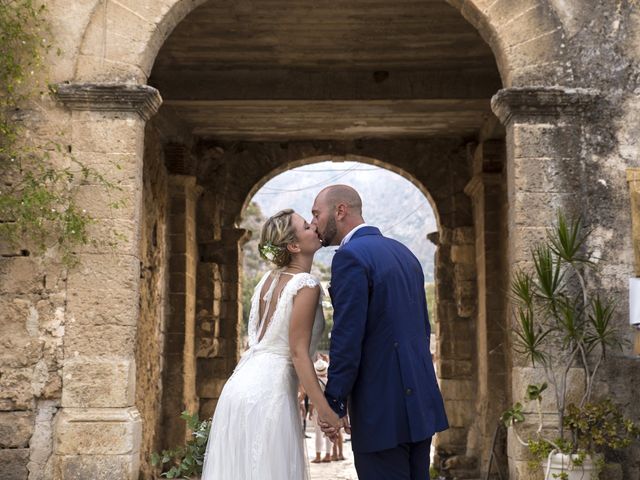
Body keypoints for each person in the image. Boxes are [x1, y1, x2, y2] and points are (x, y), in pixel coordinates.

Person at [311, 185, 449, 480]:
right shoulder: (406, 254)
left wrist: (334, 401)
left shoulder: (349, 257)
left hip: (380, 409)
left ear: (340, 211)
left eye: (316, 213)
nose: (314, 224)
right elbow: (421, 329)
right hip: (419, 406)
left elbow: (348, 338)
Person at [201, 209, 341, 480]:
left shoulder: (267, 280)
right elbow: (298, 353)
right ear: (294, 245)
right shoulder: (307, 285)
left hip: (239, 388)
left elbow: (266, 342)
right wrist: (325, 411)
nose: (314, 226)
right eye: (306, 226)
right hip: (270, 395)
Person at [309, 358, 333, 463]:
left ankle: (318, 456)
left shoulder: (315, 383)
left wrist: (310, 411)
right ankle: (328, 455)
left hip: (317, 410)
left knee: (318, 434)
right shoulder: (330, 380)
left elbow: (312, 400)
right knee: (328, 432)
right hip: (328, 409)